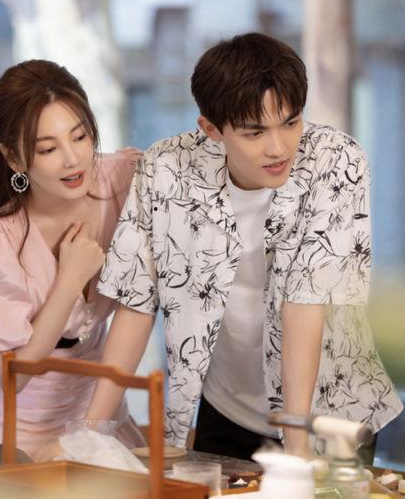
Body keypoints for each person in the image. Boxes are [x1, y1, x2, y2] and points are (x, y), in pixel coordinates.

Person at [86, 33, 403, 461]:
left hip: (330, 411)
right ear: (211, 129)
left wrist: (297, 446)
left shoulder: (335, 161)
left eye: (290, 122)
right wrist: (92, 433)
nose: (279, 147)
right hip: (226, 407)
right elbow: (137, 302)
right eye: (255, 133)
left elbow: (305, 303)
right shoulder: (166, 170)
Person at [0, 59, 143, 468]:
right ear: (14, 158)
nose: (73, 159)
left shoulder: (122, 184)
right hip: (14, 448)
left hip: (101, 431)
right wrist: (69, 280)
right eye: (48, 149)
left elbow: (141, 307)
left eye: (80, 136)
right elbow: (13, 377)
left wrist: (90, 435)